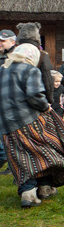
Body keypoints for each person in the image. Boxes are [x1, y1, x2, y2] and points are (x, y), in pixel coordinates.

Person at [0, 43, 64, 208]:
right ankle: (44, 187)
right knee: (46, 151)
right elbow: (34, 96)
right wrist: (45, 107)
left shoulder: (2, 70)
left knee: (21, 157)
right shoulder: (30, 70)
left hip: (7, 125)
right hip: (29, 120)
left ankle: (29, 193)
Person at [16, 22, 53, 105]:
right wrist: (49, 100)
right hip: (33, 99)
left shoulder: (12, 54)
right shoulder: (41, 55)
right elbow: (47, 79)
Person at [0, 29, 16, 174]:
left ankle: (12, 166)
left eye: (3, 40)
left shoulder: (18, 59)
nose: (0, 43)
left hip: (13, 104)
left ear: (13, 42)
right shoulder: (1, 58)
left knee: (13, 137)